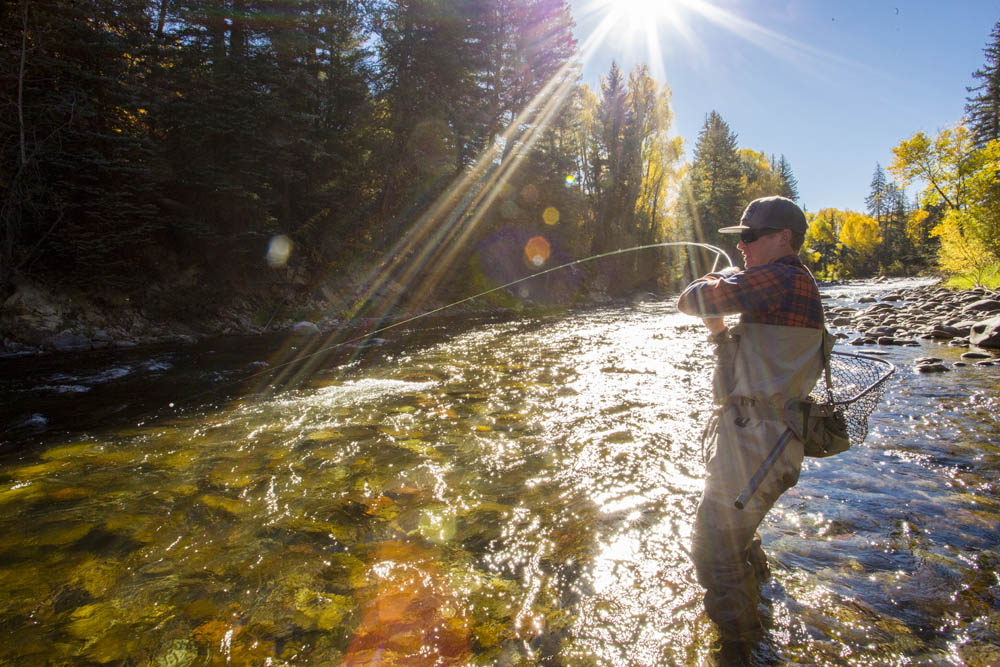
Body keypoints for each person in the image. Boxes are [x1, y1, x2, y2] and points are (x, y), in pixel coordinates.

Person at [676, 196, 828, 652]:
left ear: (784, 238)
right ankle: (757, 598)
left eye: (750, 236)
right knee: (734, 535)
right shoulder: (776, 289)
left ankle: (741, 645)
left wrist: (714, 279)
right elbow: (742, 378)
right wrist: (719, 333)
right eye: (739, 238)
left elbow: (691, 299)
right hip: (753, 438)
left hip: (762, 443)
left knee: (713, 547)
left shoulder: (784, 278)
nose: (742, 245)